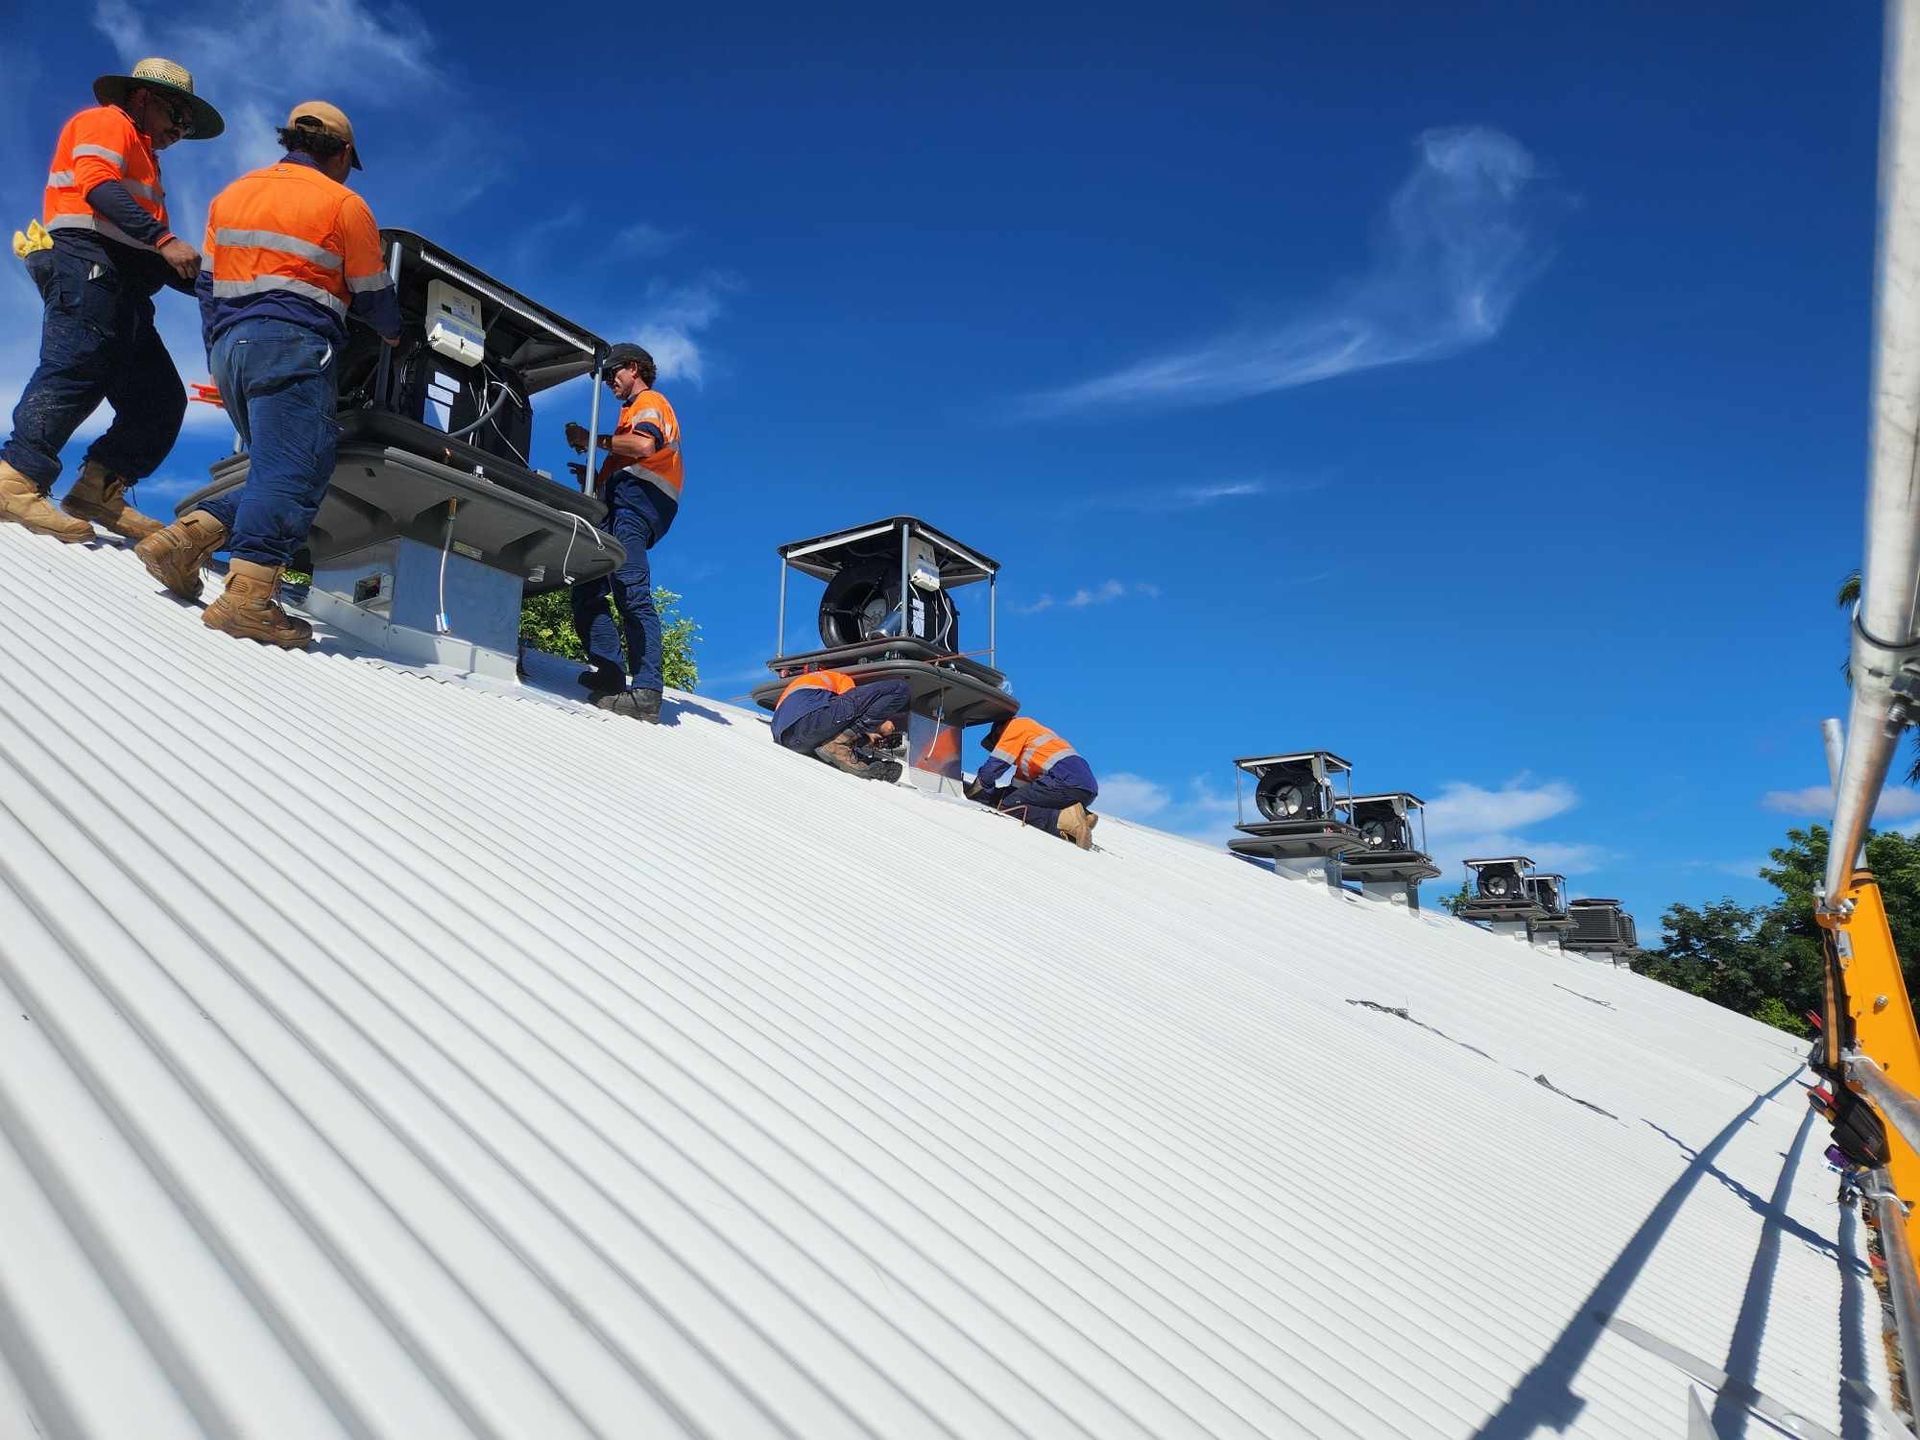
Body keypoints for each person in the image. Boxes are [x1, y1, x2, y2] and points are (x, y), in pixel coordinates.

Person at [136, 101, 401, 647]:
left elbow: (207, 286)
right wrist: (396, 334)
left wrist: (223, 345)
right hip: (294, 347)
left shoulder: (231, 194)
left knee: (279, 467)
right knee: (293, 472)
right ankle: (249, 599)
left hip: (231, 350)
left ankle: (183, 541)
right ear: (344, 152)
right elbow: (375, 299)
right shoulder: (344, 202)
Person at [0, 58, 223, 544]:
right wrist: (165, 240)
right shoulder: (105, 122)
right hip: (88, 264)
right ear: (143, 98)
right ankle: (15, 479)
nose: (178, 132)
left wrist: (222, 286)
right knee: (76, 364)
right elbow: (97, 187)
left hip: (125, 282)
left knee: (159, 399)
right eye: (176, 117)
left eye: (186, 127)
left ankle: (98, 489)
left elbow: (142, 246)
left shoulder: (146, 156)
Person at [566, 342, 682, 722]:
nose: (609, 383)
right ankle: (610, 672)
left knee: (631, 590)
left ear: (633, 368)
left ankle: (647, 692)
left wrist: (591, 440)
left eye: (613, 373)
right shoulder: (629, 414)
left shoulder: (650, 401)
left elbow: (644, 445)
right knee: (587, 583)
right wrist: (594, 474)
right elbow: (624, 455)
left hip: (637, 505)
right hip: (620, 505)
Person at [967, 714, 1100, 848]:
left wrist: (979, 789)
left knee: (1009, 806)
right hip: (1086, 788)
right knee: (1016, 801)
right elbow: (1017, 791)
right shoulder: (1033, 745)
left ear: (999, 732)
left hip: (1065, 780)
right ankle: (1083, 816)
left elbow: (993, 768)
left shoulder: (1014, 727)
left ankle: (1067, 821)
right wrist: (996, 796)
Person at [771, 670, 909, 782]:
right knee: (900, 689)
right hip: (811, 719)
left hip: (789, 739)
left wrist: (866, 738)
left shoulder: (806, 686)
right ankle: (838, 746)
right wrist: (879, 725)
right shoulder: (842, 679)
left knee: (844, 736)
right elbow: (852, 707)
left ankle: (856, 758)